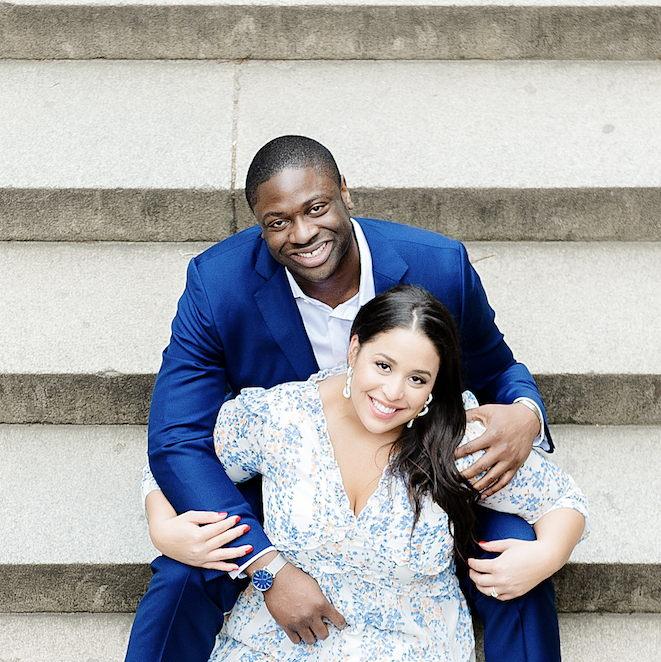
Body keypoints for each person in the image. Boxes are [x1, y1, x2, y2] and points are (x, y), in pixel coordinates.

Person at [126, 135, 561, 661]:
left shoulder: (439, 265)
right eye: (278, 221)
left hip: (423, 475)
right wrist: (262, 563)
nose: (303, 234)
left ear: (345, 195)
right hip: (291, 478)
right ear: (259, 224)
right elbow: (178, 435)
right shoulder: (218, 285)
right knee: (183, 571)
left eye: (316, 208)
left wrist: (525, 415)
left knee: (512, 558)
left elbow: (497, 368)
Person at [141, 286, 588, 661]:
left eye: (418, 379)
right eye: (383, 365)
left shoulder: (456, 435)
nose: (393, 393)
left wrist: (546, 554)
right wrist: (164, 527)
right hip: (278, 644)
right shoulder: (283, 417)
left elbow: (561, 500)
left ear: (435, 384)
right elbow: (177, 457)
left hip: (410, 647)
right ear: (355, 348)